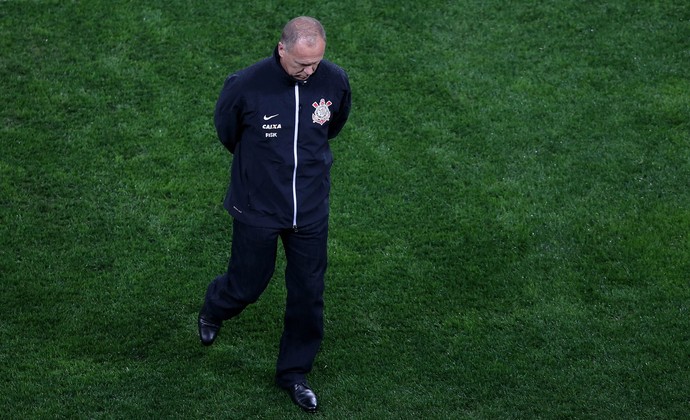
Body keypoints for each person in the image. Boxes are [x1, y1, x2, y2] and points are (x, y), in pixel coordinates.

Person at [198, 16, 351, 413]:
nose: (309, 71)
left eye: (315, 63)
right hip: (258, 206)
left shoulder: (334, 80)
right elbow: (227, 132)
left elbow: (331, 127)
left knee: (308, 293)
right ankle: (216, 306)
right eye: (302, 64)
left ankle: (294, 373)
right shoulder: (246, 85)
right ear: (282, 49)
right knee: (247, 284)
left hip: (311, 208)